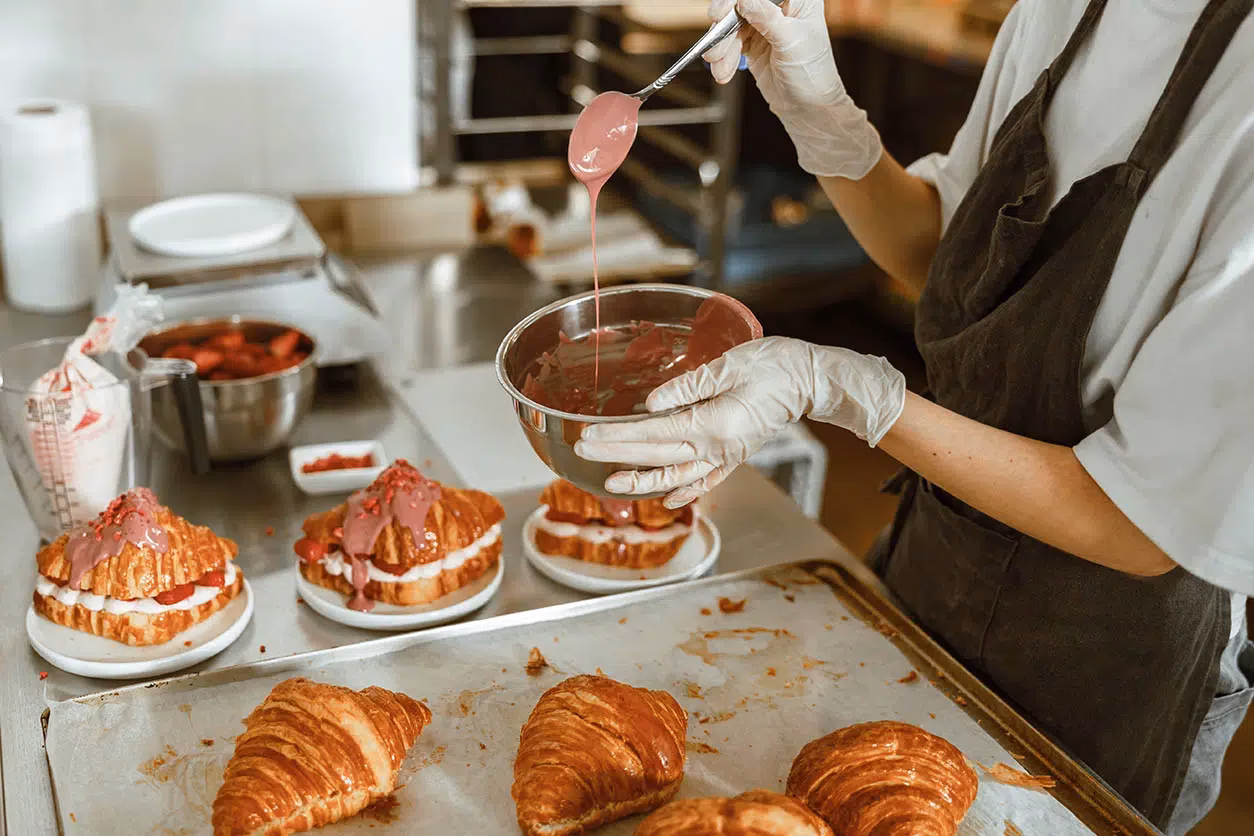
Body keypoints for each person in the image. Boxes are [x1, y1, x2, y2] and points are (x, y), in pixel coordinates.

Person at [574, 0, 1254, 831]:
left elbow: (1143, 525)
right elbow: (944, 258)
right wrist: (819, 110)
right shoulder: (1063, 11)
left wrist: (844, 390)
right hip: (937, 566)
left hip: (1109, 667)